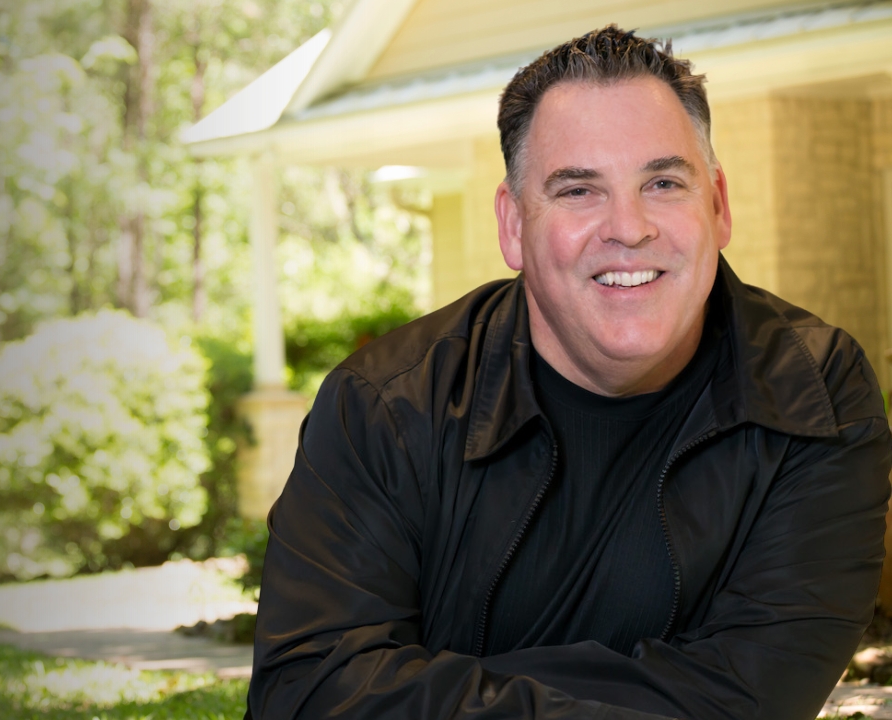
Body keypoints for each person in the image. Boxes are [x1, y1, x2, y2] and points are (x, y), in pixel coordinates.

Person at [246, 25, 892, 720]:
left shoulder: (813, 391)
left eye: (663, 183)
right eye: (579, 190)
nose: (629, 227)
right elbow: (307, 688)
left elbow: (759, 696)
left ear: (717, 205)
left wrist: (435, 685)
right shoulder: (385, 408)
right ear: (513, 225)